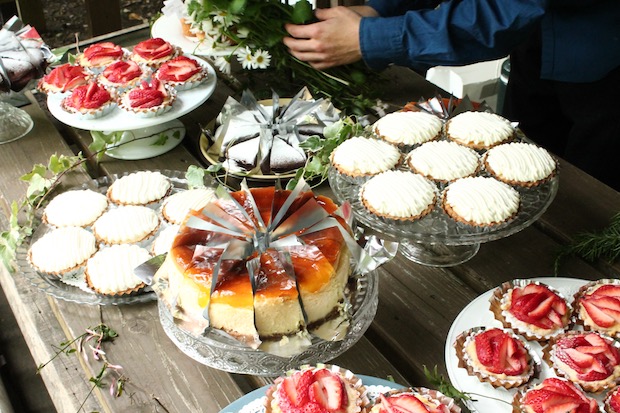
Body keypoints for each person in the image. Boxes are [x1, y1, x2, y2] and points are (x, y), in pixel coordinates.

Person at [283, 1, 620, 192]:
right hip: (538, 45)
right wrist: (379, 9)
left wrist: (372, 38)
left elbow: (508, 10)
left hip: (607, 65)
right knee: (520, 171)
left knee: (590, 199)